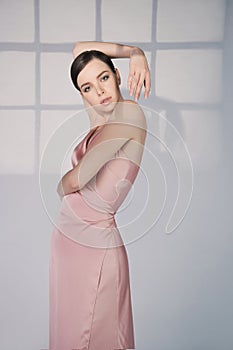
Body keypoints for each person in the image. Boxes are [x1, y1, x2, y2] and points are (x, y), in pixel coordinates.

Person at [49, 41, 151, 350]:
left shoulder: (129, 113)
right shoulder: (101, 119)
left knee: (99, 335)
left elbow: (79, 177)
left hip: (96, 248)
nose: (99, 91)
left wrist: (137, 54)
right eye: (88, 88)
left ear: (118, 75)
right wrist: (134, 52)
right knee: (70, 334)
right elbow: (81, 48)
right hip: (68, 247)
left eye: (104, 78)